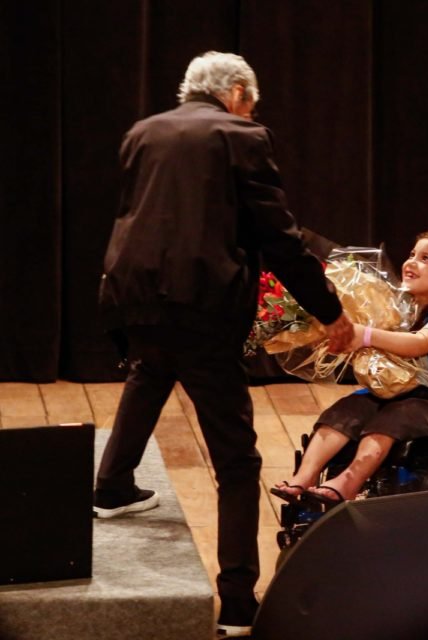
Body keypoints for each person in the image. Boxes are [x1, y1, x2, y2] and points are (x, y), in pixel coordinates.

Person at [94, 51, 353, 637]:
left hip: (132, 294)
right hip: (202, 306)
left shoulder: (142, 132)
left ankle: (111, 487)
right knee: (237, 459)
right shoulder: (242, 136)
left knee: (150, 369)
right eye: (251, 105)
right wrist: (329, 310)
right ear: (237, 93)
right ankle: (237, 604)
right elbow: (279, 238)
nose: (251, 113)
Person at [271, 229, 428, 505]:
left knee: (393, 418)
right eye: (412, 254)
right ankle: (303, 478)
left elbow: (417, 344)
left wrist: (365, 335)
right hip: (401, 396)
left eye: (426, 259)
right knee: (345, 410)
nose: (412, 262)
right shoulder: (402, 308)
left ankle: (348, 483)